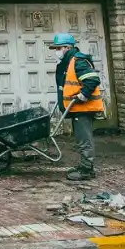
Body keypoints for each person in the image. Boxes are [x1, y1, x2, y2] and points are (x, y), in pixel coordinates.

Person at [50, 33, 104, 181]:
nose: (57, 51)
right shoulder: (68, 62)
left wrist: (83, 95)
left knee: (84, 140)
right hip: (76, 108)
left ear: (67, 47)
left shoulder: (78, 61)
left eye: (59, 48)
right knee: (81, 139)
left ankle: (87, 170)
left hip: (83, 108)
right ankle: (84, 165)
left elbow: (92, 79)